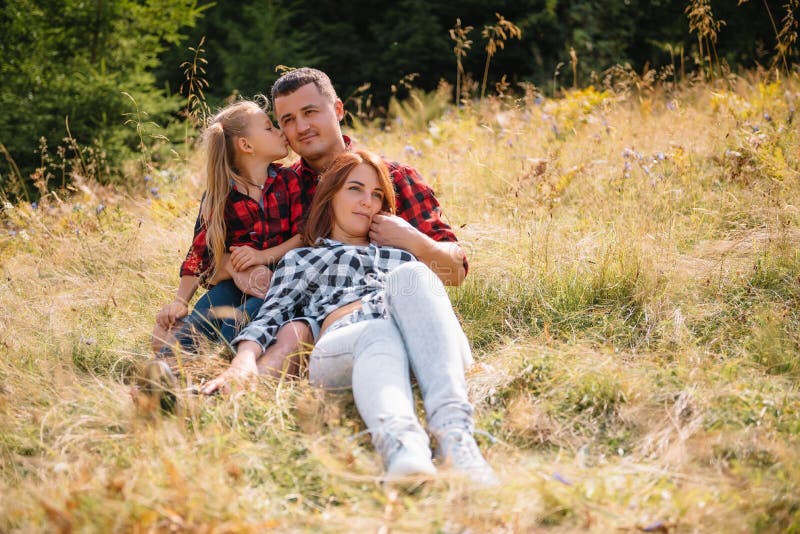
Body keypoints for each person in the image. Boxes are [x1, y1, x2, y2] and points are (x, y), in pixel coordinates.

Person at [205, 150, 496, 484]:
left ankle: (456, 440)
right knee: (378, 331)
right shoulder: (302, 259)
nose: (366, 202)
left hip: (416, 348)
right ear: (330, 197)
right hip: (346, 346)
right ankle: (404, 448)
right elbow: (270, 317)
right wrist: (242, 361)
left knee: (414, 274)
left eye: (376, 195)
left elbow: (442, 301)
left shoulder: (401, 255)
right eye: (355, 189)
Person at [246, 67, 469, 376]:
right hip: (303, 317)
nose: (302, 127)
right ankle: (181, 367)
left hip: (394, 312)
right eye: (288, 120)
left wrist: (412, 239)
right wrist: (240, 266)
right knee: (240, 308)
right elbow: (241, 247)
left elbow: (455, 272)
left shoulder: (393, 177)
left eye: (310, 112)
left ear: (338, 110)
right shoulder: (281, 188)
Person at [145, 99, 311, 395]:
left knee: (244, 318)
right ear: (247, 145)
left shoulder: (289, 181)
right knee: (205, 314)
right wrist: (180, 300)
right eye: (270, 127)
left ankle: (218, 375)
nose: (280, 132)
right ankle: (161, 376)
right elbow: (200, 251)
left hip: (278, 284)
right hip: (233, 282)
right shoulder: (221, 194)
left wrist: (263, 256)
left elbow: (304, 235)